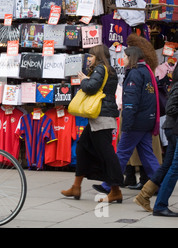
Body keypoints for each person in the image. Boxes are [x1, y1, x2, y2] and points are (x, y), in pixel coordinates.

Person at [61, 45, 124, 203]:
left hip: (101, 116)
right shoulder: (109, 69)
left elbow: (90, 88)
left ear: (98, 56)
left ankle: (115, 190)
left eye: (91, 56)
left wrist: (84, 81)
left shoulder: (100, 69)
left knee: (106, 153)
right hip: (101, 115)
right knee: (83, 147)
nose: (88, 59)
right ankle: (76, 186)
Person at [95, 46, 160, 196]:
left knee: (122, 152)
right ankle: (160, 181)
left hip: (136, 122)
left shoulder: (134, 74)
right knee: (147, 154)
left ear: (132, 58)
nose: (122, 59)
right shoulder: (145, 71)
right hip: (146, 120)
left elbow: (131, 102)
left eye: (124, 56)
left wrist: (127, 124)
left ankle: (108, 184)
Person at [134, 66, 178, 216]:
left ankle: (144, 195)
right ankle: (159, 204)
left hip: (172, 129)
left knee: (168, 166)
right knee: (173, 168)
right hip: (173, 129)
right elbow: (171, 108)